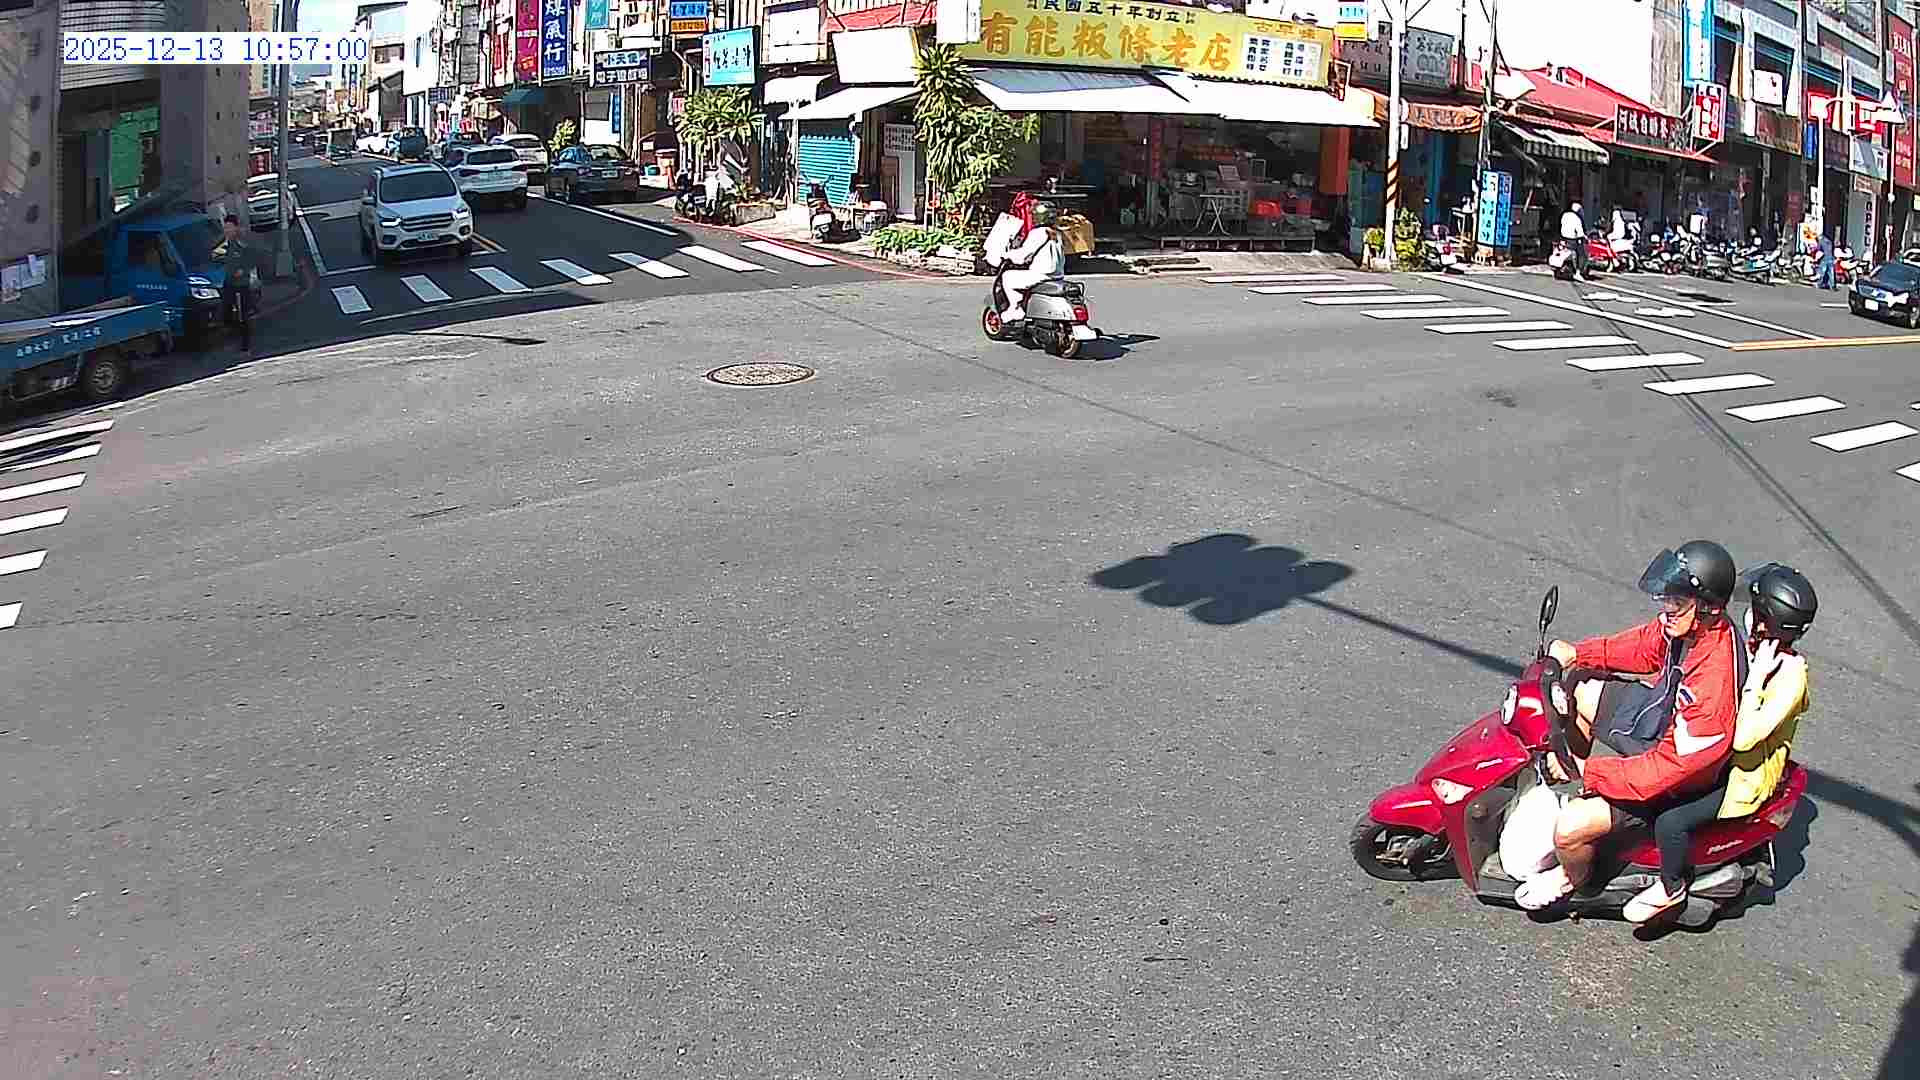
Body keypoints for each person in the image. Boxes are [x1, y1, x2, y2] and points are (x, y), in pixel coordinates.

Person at [1515, 540, 1741, 911]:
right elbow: (1644, 647)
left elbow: (1665, 770)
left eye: (1677, 601)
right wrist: (1577, 653)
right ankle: (1564, 782)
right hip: (1661, 720)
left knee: (1570, 828)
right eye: (1668, 599)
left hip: (1673, 784)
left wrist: (1588, 771)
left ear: (1708, 608)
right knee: (1580, 685)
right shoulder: (1687, 627)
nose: (1667, 609)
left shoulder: (1714, 687)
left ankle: (1573, 876)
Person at [1627, 564, 1817, 923]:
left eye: (1756, 610)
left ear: (1767, 622)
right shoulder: (1756, 650)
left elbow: (1744, 738)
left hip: (1740, 778)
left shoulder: (1789, 677)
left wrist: (1757, 677)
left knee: (1670, 822)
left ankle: (1672, 887)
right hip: (1718, 757)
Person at [1000, 199, 1065, 323]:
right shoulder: (1057, 233)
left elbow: (1023, 256)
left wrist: (1008, 255)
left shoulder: (1038, 233)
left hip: (1041, 275)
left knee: (1007, 276)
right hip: (1057, 275)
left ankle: (1015, 309)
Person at [215, 214, 257, 355]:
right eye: (225, 227)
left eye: (230, 227)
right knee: (225, 312)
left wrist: (243, 270)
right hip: (229, 282)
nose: (227, 230)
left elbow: (252, 260)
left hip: (242, 284)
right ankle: (232, 337)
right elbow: (216, 254)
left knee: (243, 315)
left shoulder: (243, 242)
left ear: (236, 228)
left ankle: (246, 346)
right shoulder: (224, 243)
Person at [1561, 201, 1590, 280]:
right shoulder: (1577, 218)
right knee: (1582, 254)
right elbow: (1580, 232)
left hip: (1563, 238)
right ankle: (1578, 272)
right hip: (1573, 239)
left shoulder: (1565, 215)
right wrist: (1585, 237)